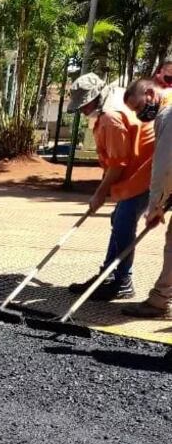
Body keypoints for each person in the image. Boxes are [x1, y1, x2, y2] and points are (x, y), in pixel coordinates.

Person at [65, 73, 155, 301]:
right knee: (119, 220)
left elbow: (118, 164)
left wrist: (99, 194)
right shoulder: (113, 102)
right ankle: (107, 275)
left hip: (143, 174)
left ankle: (122, 281)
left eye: (84, 105)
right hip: (137, 171)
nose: (83, 111)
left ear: (96, 97)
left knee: (123, 223)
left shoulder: (111, 118)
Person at [121, 78, 172, 318]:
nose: (141, 115)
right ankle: (160, 300)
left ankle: (159, 302)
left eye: (139, 107)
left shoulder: (167, 114)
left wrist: (155, 206)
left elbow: (163, 167)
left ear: (150, 93)